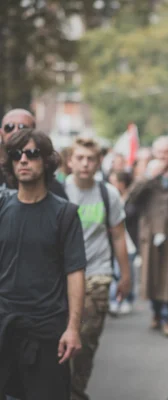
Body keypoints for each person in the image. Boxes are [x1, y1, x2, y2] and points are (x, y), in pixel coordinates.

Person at [0, 129, 86, 399]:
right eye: (16, 155)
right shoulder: (2, 207)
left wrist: (73, 328)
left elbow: (75, 273)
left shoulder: (65, 214)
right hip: (4, 327)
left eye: (32, 153)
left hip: (48, 331)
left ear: (46, 161)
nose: (23, 160)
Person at [64, 137, 132, 400]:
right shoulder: (59, 191)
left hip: (97, 276)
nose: (85, 163)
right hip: (63, 280)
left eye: (90, 159)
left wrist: (125, 276)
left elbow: (118, 236)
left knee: (85, 342)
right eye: (79, 158)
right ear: (70, 161)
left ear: (98, 162)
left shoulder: (108, 194)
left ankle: (76, 391)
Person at [127, 137, 168, 336]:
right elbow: (131, 199)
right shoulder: (147, 175)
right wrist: (147, 176)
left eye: (167, 153)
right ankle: (156, 312)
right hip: (150, 231)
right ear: (154, 154)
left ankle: (167, 317)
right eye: (159, 153)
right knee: (152, 275)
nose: (163, 157)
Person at [0, 109, 68, 199]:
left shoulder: (49, 184)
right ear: (1, 132)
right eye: (9, 127)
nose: (15, 131)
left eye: (22, 127)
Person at [108, 171, 138, 315]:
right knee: (115, 272)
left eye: (114, 181)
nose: (111, 184)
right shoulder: (109, 197)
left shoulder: (131, 199)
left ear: (122, 183)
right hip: (113, 243)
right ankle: (115, 300)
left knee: (127, 271)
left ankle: (127, 299)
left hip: (129, 242)